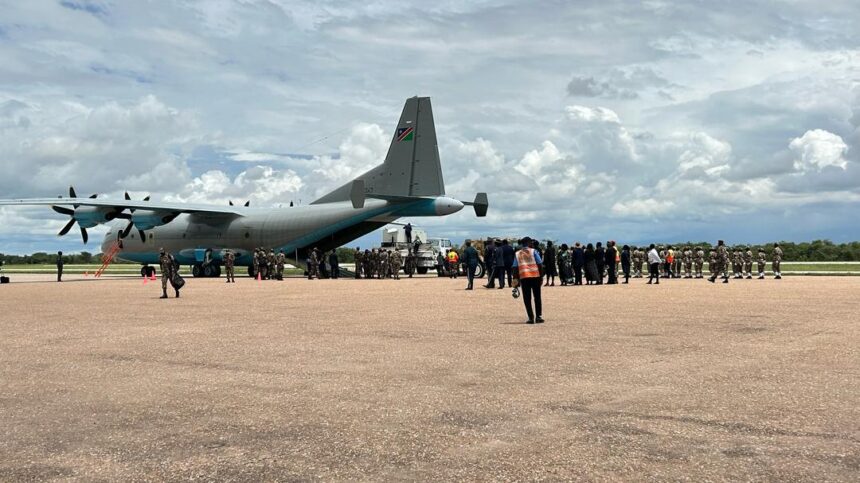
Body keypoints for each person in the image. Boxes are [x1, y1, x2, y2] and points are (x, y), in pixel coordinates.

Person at [512, 237, 544, 324]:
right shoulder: (534, 251)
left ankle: (530, 318)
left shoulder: (517, 253)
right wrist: (541, 277)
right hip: (535, 277)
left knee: (527, 298)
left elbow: (515, 267)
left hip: (524, 278)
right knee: (537, 297)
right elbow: (540, 264)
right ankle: (538, 317)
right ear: (529, 243)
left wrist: (515, 280)